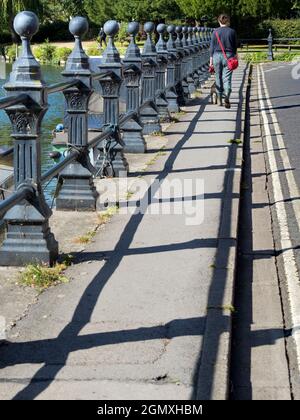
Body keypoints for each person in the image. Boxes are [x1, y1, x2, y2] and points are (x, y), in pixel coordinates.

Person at [210, 14, 238, 109]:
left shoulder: (215, 32)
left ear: (219, 21)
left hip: (216, 56)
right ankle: (227, 95)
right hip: (229, 57)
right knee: (227, 78)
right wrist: (236, 57)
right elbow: (235, 47)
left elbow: (212, 48)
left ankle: (220, 101)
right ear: (228, 21)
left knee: (218, 77)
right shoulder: (232, 32)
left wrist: (211, 61)